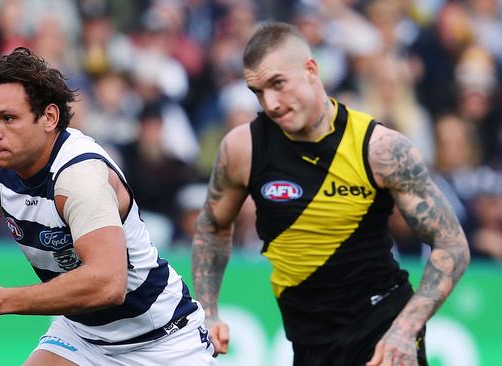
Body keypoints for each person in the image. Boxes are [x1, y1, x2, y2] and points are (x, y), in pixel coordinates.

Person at [191, 22, 470, 366]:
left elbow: (452, 244)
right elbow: (212, 226)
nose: (271, 103)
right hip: (307, 341)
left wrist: (404, 329)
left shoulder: (380, 149)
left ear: (311, 70)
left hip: (381, 333)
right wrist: (207, 310)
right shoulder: (243, 148)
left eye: (278, 84)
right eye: (258, 92)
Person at [0, 47, 215, 366]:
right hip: (83, 335)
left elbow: (107, 283)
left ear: (49, 117)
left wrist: (1, 299)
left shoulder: (79, 176)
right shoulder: (1, 168)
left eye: (8, 118)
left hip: (161, 340)